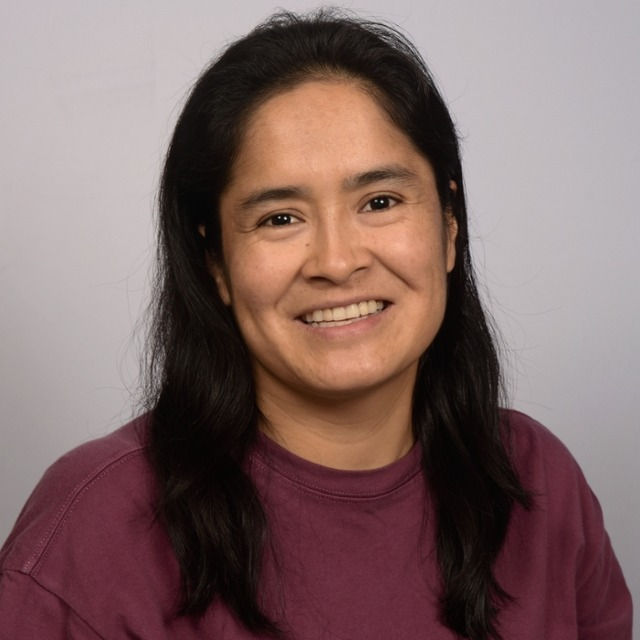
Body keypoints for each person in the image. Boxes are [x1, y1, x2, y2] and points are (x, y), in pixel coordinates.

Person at [0, 10, 632, 640]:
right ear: (216, 263)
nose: (336, 262)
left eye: (379, 202)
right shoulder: (92, 531)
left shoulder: (538, 483)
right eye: (280, 218)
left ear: (448, 226)